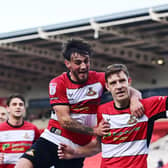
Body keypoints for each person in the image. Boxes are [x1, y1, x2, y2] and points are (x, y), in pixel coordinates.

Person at [16, 40, 143, 168]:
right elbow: (65, 121)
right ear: (67, 64)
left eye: (86, 61)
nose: (83, 66)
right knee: (22, 165)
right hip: (53, 138)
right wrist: (95, 131)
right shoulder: (58, 83)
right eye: (78, 62)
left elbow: (129, 89)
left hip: (76, 149)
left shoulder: (99, 79)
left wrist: (135, 100)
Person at [58, 64, 168, 168]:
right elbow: (98, 146)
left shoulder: (147, 107)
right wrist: (75, 152)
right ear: (107, 87)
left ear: (129, 82)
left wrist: (135, 98)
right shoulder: (101, 111)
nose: (119, 86)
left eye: (122, 81)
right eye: (113, 83)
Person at [0, 94, 40, 168]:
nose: (18, 107)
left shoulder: (33, 128)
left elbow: (39, 150)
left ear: (24, 109)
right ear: (8, 109)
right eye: (14, 104)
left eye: (21, 105)